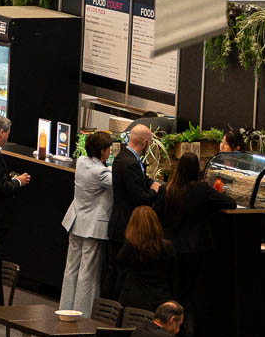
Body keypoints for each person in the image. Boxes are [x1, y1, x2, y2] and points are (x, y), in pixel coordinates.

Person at [56, 128, 115, 315]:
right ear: (102, 151)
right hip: (92, 227)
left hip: (75, 221)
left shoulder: (81, 161)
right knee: (87, 272)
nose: (111, 152)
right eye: (109, 149)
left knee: (71, 268)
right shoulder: (102, 173)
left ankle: (65, 308)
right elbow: (119, 180)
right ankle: (82, 315)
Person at [163, 150, 225, 317]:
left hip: (171, 247)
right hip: (195, 248)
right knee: (191, 294)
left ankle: (173, 324)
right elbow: (230, 203)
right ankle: (189, 327)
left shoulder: (168, 189)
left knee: (175, 290)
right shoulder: (201, 189)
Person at [108, 124, 163, 288]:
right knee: (119, 276)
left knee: (113, 272)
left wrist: (150, 182)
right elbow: (141, 198)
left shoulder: (122, 157)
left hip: (118, 223)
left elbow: (140, 180)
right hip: (125, 226)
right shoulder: (131, 163)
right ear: (145, 142)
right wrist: (154, 190)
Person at [116, 204, 178, 313]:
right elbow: (173, 276)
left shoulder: (130, 247)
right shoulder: (167, 247)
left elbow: (120, 269)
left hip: (133, 301)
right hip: (160, 299)